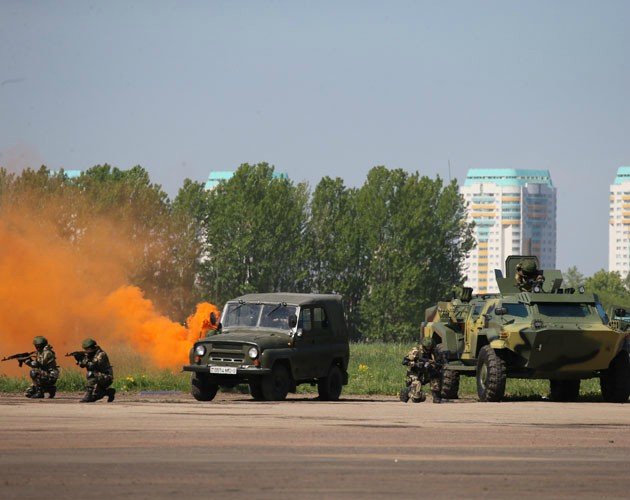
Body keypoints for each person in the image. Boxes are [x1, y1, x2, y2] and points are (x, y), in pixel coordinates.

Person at [400, 337, 444, 404]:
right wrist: (415, 364)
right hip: (416, 373)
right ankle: (408, 391)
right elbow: (404, 361)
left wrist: (432, 366)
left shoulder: (435, 352)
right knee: (417, 398)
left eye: (430, 347)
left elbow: (440, 364)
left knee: (436, 377)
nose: (428, 349)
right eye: (427, 347)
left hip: (428, 373)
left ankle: (436, 397)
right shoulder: (416, 351)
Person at [73, 338, 115, 403]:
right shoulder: (90, 354)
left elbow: (92, 365)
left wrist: (84, 359)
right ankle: (109, 392)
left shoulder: (101, 354)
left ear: (92, 347)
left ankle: (88, 394)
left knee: (90, 374)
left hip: (107, 377)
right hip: (99, 377)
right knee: (95, 398)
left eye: (87, 349)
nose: (86, 351)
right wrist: (79, 359)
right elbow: (82, 365)